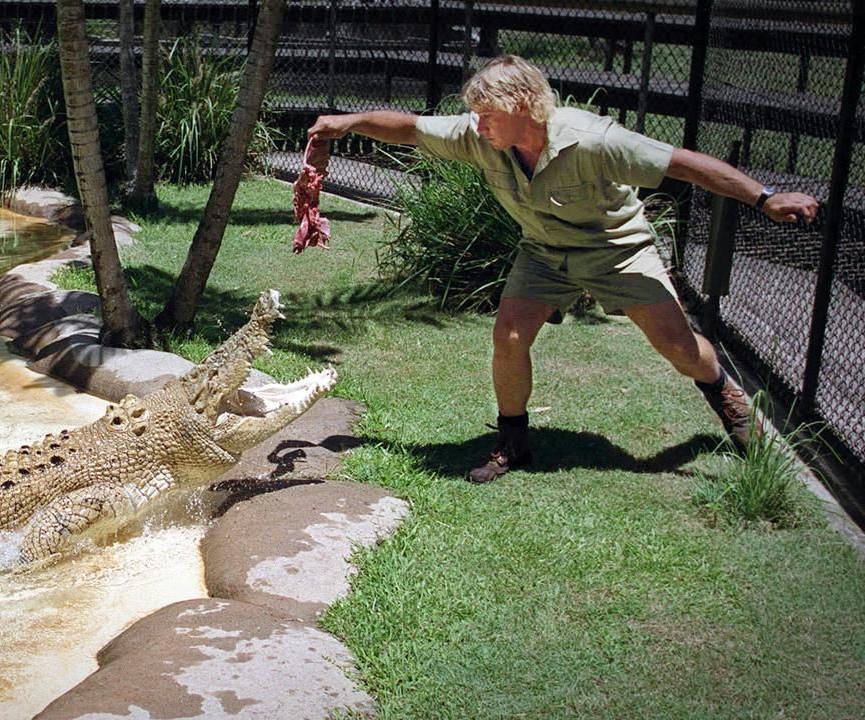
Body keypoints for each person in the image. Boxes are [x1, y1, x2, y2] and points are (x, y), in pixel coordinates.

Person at [306, 55, 819, 483]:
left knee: (678, 347)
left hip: (616, 250)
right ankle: (512, 445)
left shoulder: (595, 140)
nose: (478, 125)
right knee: (508, 336)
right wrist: (347, 123)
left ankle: (726, 400)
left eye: (487, 114)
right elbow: (411, 129)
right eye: (476, 115)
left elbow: (681, 163)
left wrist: (764, 197)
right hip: (545, 252)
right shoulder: (482, 137)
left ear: (524, 107)